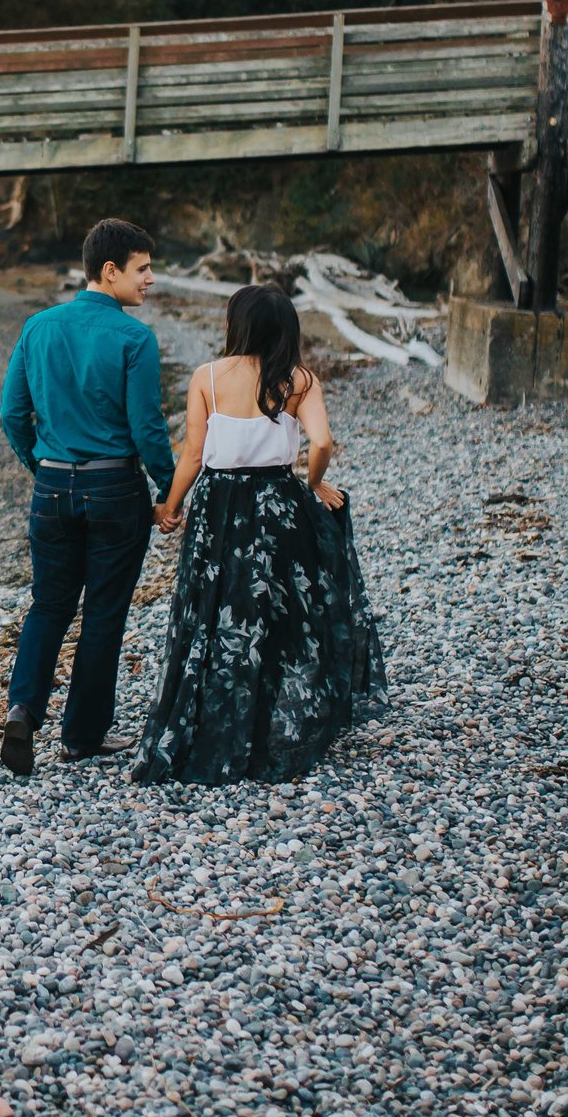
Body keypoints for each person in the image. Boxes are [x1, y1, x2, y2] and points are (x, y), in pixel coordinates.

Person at [132, 282, 385, 785]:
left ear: (236, 325)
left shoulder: (207, 376)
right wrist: (312, 484)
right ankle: (275, 719)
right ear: (285, 330)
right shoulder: (300, 380)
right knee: (281, 609)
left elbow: (193, 454)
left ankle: (216, 717)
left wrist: (170, 505)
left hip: (219, 507)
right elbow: (323, 442)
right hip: (276, 502)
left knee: (214, 609)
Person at [0, 218, 176, 776]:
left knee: (49, 604)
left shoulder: (38, 326)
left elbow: (11, 414)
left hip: (52, 487)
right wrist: (171, 490)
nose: (151, 280)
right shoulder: (134, 338)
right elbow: (147, 429)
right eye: (143, 269)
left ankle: (23, 707)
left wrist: (41, 466)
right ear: (110, 270)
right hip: (114, 489)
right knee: (103, 613)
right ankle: (82, 736)